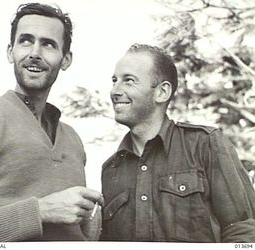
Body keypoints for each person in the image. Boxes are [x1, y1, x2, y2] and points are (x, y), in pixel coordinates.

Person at [0, 3, 103, 242]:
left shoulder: (73, 139)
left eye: (48, 44)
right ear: (10, 51)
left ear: (65, 60)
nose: (35, 52)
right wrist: (41, 211)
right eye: (26, 41)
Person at [100, 44, 255, 242]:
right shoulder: (110, 170)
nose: (115, 90)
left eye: (128, 81)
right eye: (114, 80)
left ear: (162, 92)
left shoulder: (205, 144)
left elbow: (244, 231)